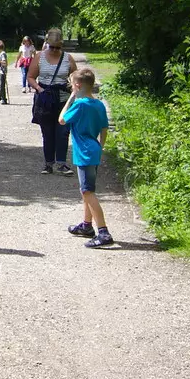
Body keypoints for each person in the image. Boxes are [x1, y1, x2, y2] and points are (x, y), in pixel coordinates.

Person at [62, 67, 114, 248]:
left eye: (72, 84)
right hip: (94, 149)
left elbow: (61, 119)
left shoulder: (80, 104)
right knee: (86, 189)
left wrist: (71, 97)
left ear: (77, 85)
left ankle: (103, 232)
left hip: (84, 153)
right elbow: (104, 128)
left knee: (88, 192)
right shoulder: (98, 104)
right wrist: (101, 147)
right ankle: (86, 225)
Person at [27, 28, 77, 175]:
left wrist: (73, 87)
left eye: (58, 47)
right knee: (47, 132)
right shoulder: (39, 57)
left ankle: (61, 163)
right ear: (47, 44)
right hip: (45, 99)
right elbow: (30, 77)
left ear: (62, 46)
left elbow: (75, 77)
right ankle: (48, 163)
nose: (55, 50)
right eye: (52, 47)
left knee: (62, 132)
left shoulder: (68, 58)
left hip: (63, 100)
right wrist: (38, 88)